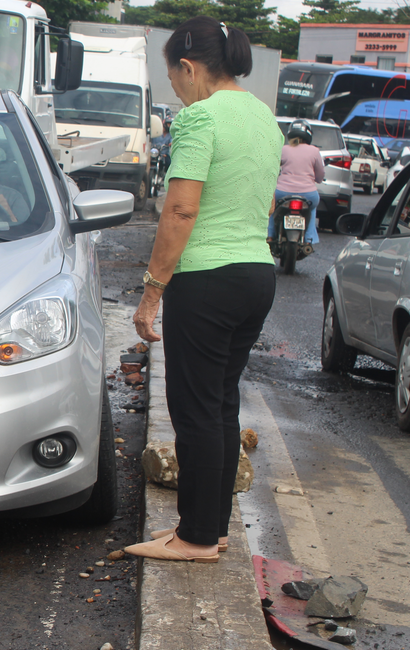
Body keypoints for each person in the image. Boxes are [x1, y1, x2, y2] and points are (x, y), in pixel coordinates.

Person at [127, 17, 283, 562]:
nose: (177, 90)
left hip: (207, 278)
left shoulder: (199, 119)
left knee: (194, 409)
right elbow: (263, 205)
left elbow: (181, 209)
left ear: (190, 67)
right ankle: (210, 530)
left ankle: (194, 538)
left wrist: (151, 291)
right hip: (255, 275)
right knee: (218, 405)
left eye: (175, 78)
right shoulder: (265, 119)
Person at [269, 119, 324, 256]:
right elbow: (320, 175)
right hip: (309, 194)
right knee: (311, 209)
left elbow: (273, 167)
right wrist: (316, 179)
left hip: (282, 192)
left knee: (271, 207)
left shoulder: (284, 149)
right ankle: (309, 240)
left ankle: (270, 236)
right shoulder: (314, 151)